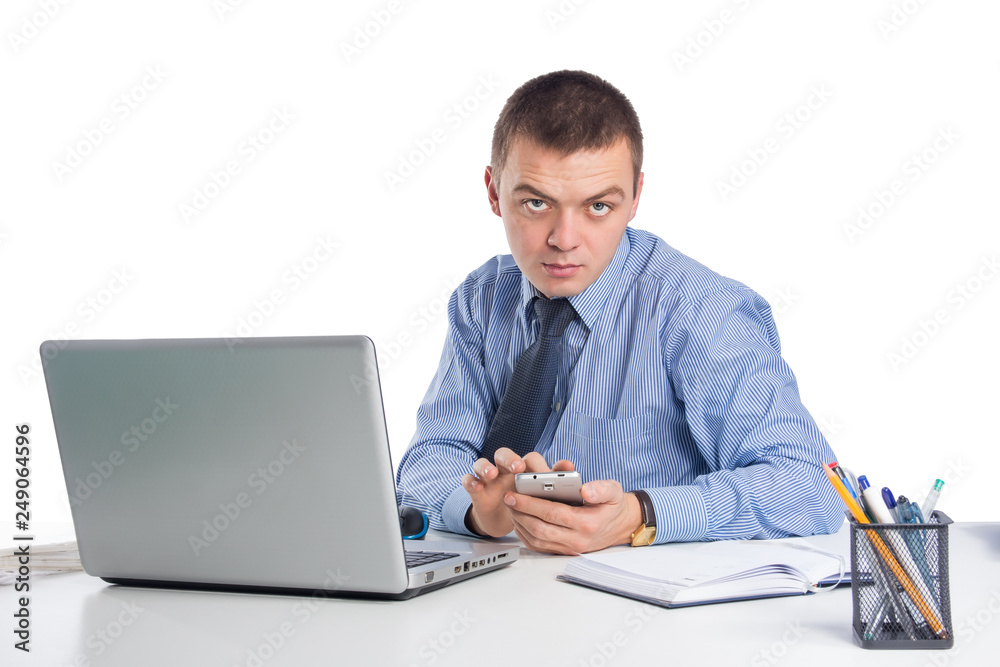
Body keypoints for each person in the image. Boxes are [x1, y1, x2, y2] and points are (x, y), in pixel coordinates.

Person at [395, 70, 842, 555]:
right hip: (502, 598)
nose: (564, 239)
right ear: (493, 192)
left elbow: (809, 486)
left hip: (656, 608)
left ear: (635, 198)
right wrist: (480, 513)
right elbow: (428, 461)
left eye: (598, 207)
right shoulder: (482, 299)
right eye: (537, 202)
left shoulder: (699, 309)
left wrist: (640, 515)